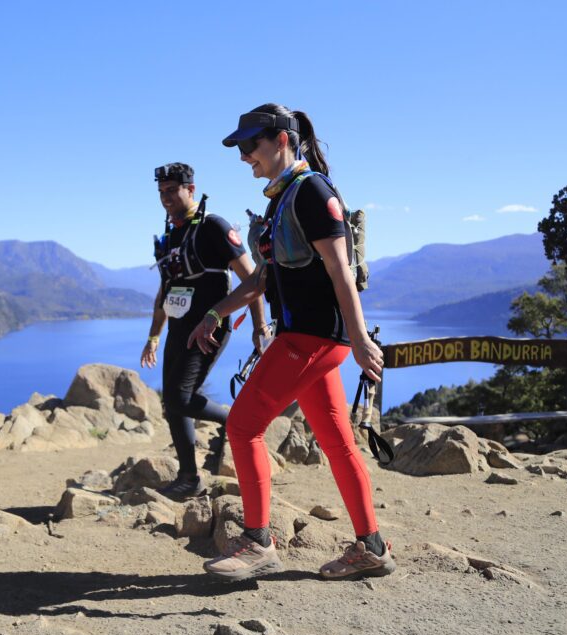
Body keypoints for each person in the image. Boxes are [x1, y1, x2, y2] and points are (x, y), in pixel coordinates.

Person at [187, 105, 396, 581]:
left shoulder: (311, 193)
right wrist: (216, 311)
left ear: (282, 140)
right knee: (338, 441)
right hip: (313, 338)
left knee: (242, 427)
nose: (244, 157)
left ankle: (258, 542)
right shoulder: (282, 199)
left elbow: (341, 270)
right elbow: (263, 278)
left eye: (250, 146)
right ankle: (372, 547)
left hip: (313, 338)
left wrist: (360, 339)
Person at [142, 162, 269, 500]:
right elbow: (165, 291)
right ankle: (188, 478)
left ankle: (234, 419)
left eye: (173, 191)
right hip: (181, 325)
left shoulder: (213, 227)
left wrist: (259, 327)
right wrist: (154, 335)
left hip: (211, 326)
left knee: (182, 398)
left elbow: (253, 280)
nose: (166, 198)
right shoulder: (171, 235)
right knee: (172, 401)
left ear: (191, 189)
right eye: (161, 192)